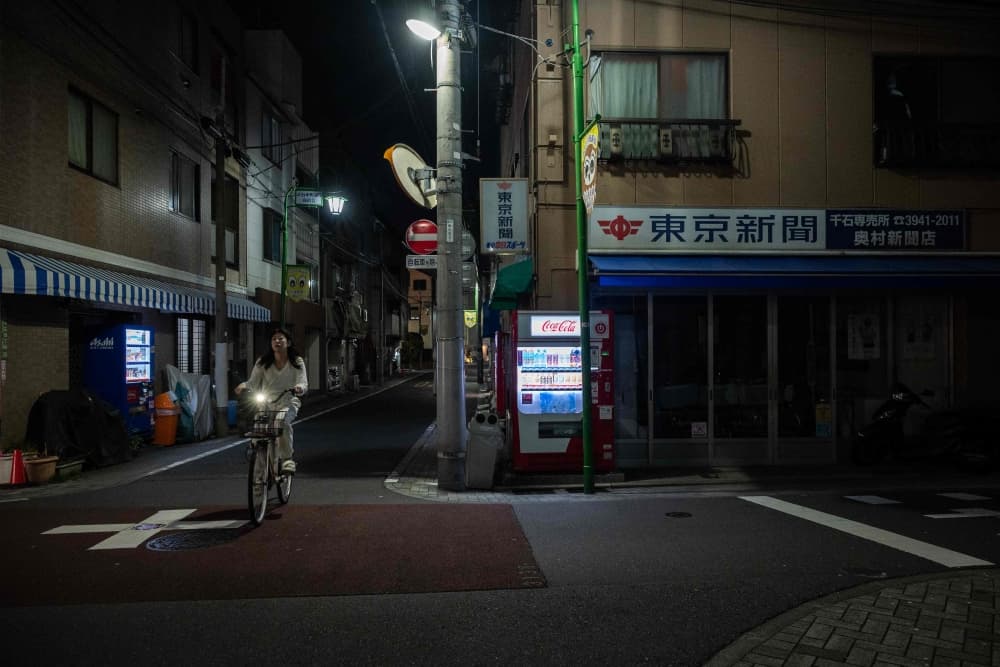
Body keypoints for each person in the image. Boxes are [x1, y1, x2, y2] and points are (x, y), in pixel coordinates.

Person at [234, 327, 307, 474]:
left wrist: (299, 388)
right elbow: (253, 382)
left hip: (288, 401)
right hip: (266, 402)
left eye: (281, 339)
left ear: (288, 343)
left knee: (282, 423)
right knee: (259, 430)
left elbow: (303, 381)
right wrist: (244, 386)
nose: (277, 341)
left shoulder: (296, 361)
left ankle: (287, 459)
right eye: (274, 339)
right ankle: (259, 474)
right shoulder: (262, 362)